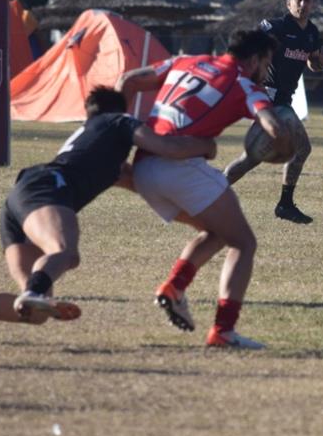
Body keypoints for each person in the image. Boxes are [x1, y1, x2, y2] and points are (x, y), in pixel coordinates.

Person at [0, 87, 216, 332]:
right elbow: (165, 146)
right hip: (46, 188)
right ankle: (34, 291)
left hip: (19, 200)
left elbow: (139, 185)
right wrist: (205, 145)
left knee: (33, 313)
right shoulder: (119, 121)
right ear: (120, 111)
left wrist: (199, 222)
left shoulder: (96, 144)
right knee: (64, 253)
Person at [115, 29, 290, 349]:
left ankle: (174, 288)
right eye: (267, 62)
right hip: (179, 169)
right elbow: (273, 126)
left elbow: (127, 81)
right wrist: (282, 144)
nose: (268, 70)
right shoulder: (245, 84)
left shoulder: (184, 61)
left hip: (143, 170)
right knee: (244, 243)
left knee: (217, 232)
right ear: (254, 60)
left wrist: (114, 140)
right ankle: (223, 331)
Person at [223, 0, 323, 225]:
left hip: (284, 100)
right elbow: (248, 47)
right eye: (298, 0)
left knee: (252, 158)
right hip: (271, 100)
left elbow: (311, 62)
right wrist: (254, 79)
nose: (303, 4)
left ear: (313, 4)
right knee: (302, 147)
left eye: (307, 0)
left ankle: (210, 191)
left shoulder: (312, 32)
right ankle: (284, 204)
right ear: (288, 3)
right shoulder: (276, 27)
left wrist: (320, 62)